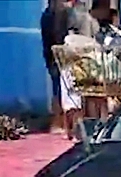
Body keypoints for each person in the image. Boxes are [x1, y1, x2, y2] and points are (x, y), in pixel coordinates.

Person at [41, 0, 71, 132]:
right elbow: (61, 35)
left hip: (51, 55)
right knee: (65, 90)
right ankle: (62, 123)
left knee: (57, 89)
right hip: (61, 56)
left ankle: (58, 122)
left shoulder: (46, 14)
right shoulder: (62, 12)